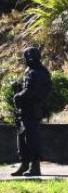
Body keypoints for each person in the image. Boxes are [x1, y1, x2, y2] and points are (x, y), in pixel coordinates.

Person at [11, 46, 52, 177]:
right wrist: (19, 88)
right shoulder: (36, 71)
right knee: (22, 137)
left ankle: (34, 166)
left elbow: (31, 91)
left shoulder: (37, 72)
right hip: (26, 109)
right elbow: (28, 88)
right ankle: (24, 164)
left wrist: (18, 96)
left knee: (31, 137)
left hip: (32, 109)